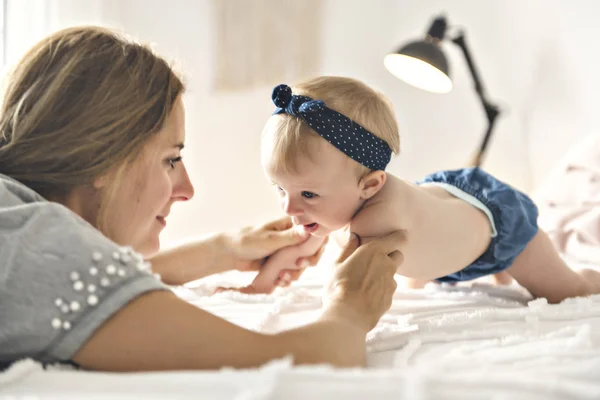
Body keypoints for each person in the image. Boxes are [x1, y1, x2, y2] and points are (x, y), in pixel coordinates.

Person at [0, 26, 403, 371]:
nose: (187, 189)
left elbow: (70, 292)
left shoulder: (21, 231)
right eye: (171, 159)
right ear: (102, 158)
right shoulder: (38, 246)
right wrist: (350, 308)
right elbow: (291, 357)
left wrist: (222, 251)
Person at [256, 76, 600, 304]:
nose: (289, 208)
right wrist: (256, 287)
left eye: (308, 195)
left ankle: (589, 278)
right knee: (419, 260)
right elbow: (295, 247)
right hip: (449, 205)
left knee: (569, 292)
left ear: (371, 185)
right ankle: (466, 273)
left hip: (496, 228)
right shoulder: (330, 206)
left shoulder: (375, 221)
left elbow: (345, 292)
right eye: (279, 189)